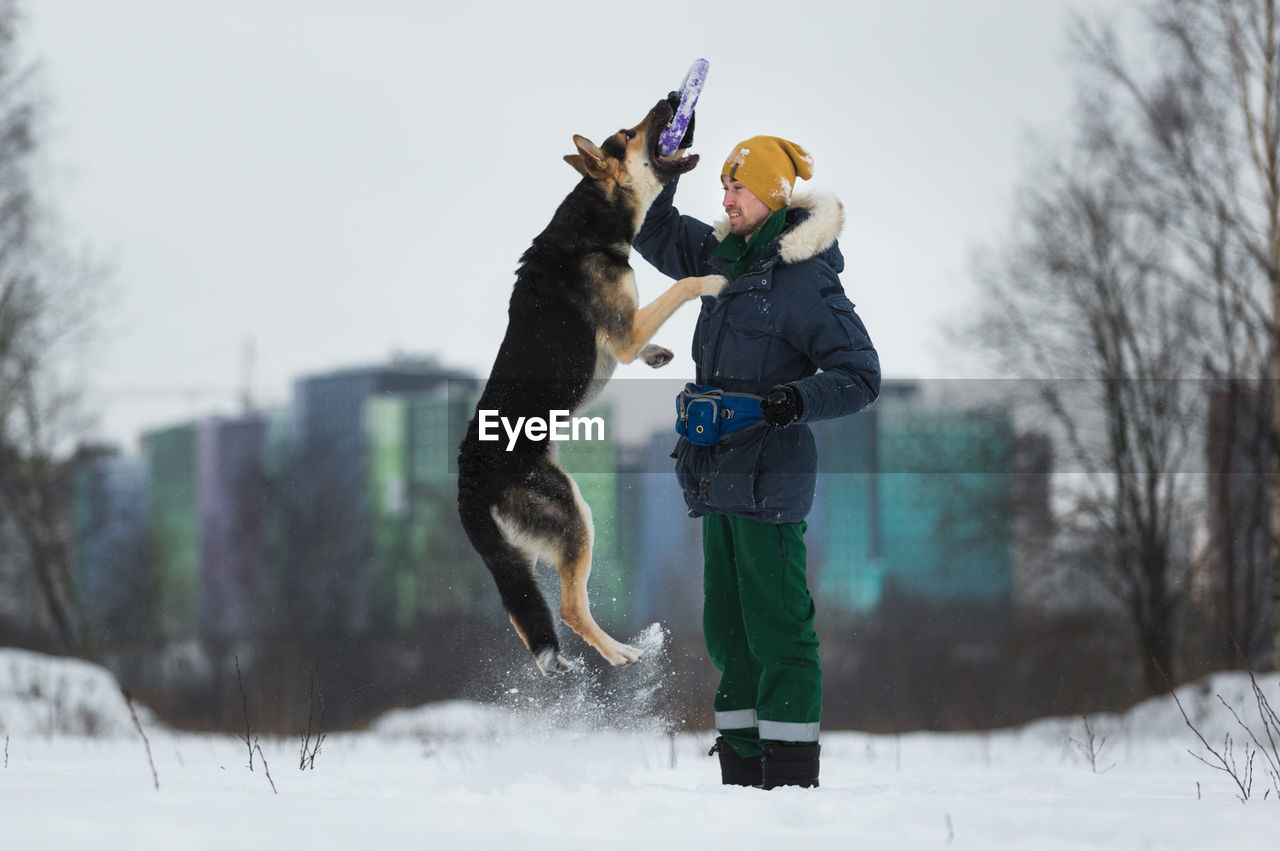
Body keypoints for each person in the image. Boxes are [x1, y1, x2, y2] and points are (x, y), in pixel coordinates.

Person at [634, 120, 881, 789]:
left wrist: (787, 401)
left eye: (737, 185)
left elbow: (860, 374)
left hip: (771, 483)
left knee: (780, 637)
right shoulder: (721, 257)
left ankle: (791, 783)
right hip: (716, 480)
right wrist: (667, 169)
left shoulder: (805, 280)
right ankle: (742, 783)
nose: (728, 197)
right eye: (723, 183)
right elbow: (652, 232)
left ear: (773, 194)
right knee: (729, 638)